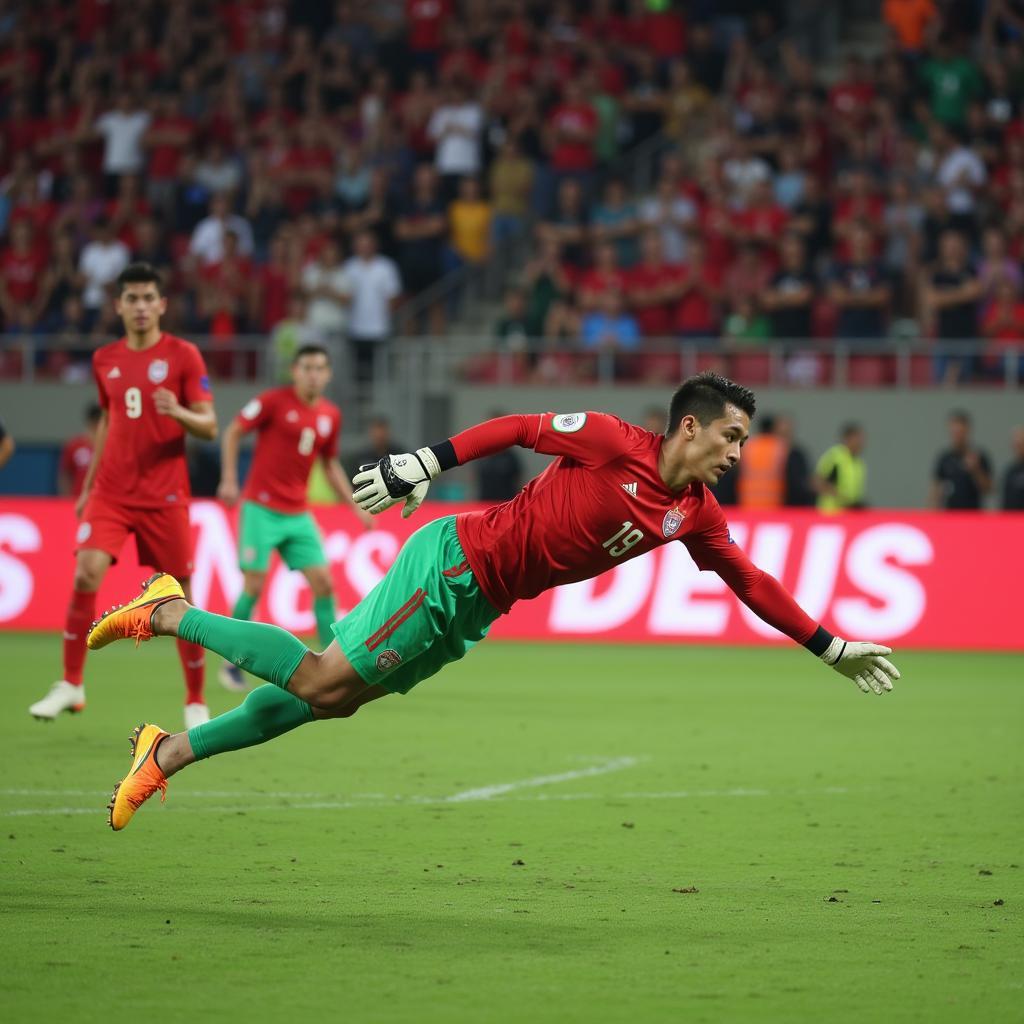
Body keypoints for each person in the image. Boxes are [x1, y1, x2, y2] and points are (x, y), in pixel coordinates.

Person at [86, 372, 900, 832]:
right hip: (453, 564)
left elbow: (751, 581)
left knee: (329, 702)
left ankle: (165, 755)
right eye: (729, 438)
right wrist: (423, 463)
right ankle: (166, 611)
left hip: (479, 605)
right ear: (690, 427)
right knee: (319, 681)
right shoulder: (619, 442)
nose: (735, 455)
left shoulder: (695, 514)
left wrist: (830, 646)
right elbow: (519, 425)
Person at [28, 263, 217, 728]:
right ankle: (71, 683)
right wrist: (89, 485)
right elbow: (110, 422)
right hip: (112, 491)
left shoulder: (184, 356)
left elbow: (210, 426)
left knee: (179, 597)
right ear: (118, 305)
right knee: (86, 572)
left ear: (162, 305)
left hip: (164, 495)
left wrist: (178, 412)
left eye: (148, 298)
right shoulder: (104, 359)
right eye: (131, 298)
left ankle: (195, 700)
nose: (140, 306)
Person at [216, 344, 373, 690]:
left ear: (328, 374)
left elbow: (329, 463)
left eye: (320, 368)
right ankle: (231, 661)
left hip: (297, 513)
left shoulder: (330, 415)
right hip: (260, 507)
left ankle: (334, 662)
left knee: (324, 583)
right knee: (254, 585)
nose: (313, 374)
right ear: (295, 371)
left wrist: (355, 507)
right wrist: (229, 478)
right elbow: (233, 431)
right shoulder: (273, 402)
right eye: (307, 367)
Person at [930, 410, 992, 509]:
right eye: (954, 432)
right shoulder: (945, 458)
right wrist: (933, 509)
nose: (957, 435)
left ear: (967, 431)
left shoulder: (979, 456)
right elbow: (935, 490)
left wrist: (976, 470)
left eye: (960, 432)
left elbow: (988, 489)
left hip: (974, 515)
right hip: (950, 515)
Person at [815, 424, 868, 512]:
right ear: (847, 439)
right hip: (831, 512)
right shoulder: (835, 457)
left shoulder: (859, 462)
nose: (860, 442)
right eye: (857, 439)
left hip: (850, 513)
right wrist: (839, 496)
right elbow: (817, 482)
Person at [737, 415, 786, 509]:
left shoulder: (749, 446)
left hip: (748, 498)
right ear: (773, 428)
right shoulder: (779, 447)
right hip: (773, 500)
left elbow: (739, 470)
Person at [58, 404, 103, 497]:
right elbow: (65, 474)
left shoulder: (109, 446)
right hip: (77, 498)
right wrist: (65, 497)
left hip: (101, 499)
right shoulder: (75, 445)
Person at [1001, 427, 1024, 510]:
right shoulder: (1010, 471)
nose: (1018, 446)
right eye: (1016, 444)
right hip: (1012, 520)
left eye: (1021, 443)